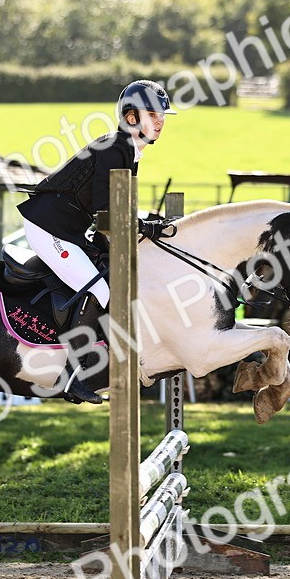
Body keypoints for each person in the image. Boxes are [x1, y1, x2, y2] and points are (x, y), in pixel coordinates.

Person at [17, 79, 177, 404]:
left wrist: (144, 225)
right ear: (131, 116)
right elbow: (108, 211)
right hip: (49, 227)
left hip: (67, 228)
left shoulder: (129, 150)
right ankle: (72, 376)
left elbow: (116, 211)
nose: (160, 121)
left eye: (161, 115)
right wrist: (144, 227)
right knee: (100, 289)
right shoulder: (116, 148)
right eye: (152, 114)